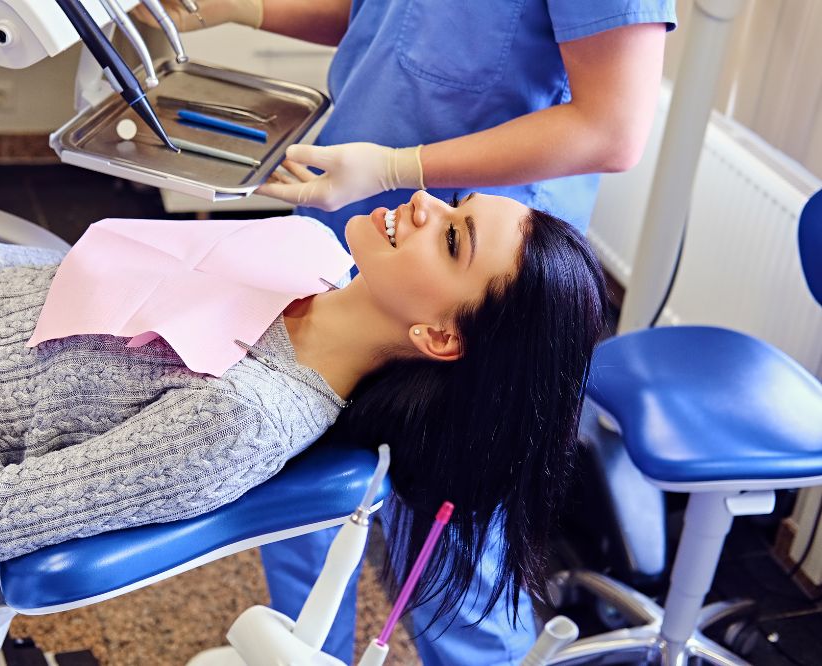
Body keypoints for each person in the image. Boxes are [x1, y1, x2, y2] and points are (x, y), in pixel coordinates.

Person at [134, 1, 675, 662]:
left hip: (474, 288)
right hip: (352, 230)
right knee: (302, 499)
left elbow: (612, 128)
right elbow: (395, 20)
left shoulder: (449, 244)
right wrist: (239, 8)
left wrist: (401, 170)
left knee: (453, 562)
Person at [0, 191, 606, 646]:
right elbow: (87, 271)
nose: (427, 204)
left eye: (454, 238)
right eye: (458, 202)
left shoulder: (246, 417)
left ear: (440, 337)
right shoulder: (311, 255)